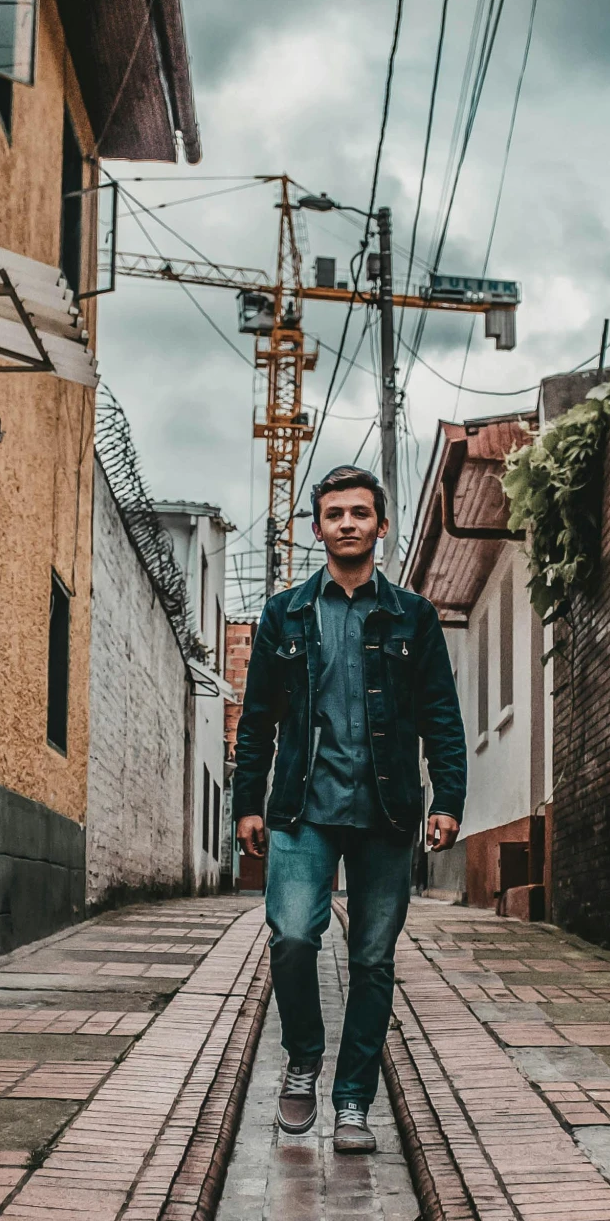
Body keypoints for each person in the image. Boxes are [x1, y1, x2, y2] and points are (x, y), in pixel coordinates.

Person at [232, 465, 467, 1153]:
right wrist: (247, 800)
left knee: (371, 958)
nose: (347, 523)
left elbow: (440, 716)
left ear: (380, 525)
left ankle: (354, 1101)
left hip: (387, 811)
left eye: (359, 512)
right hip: (302, 809)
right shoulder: (285, 614)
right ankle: (303, 1059)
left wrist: (446, 796)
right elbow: (256, 720)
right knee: (293, 936)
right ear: (317, 529)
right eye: (334, 513)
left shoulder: (412, 617)